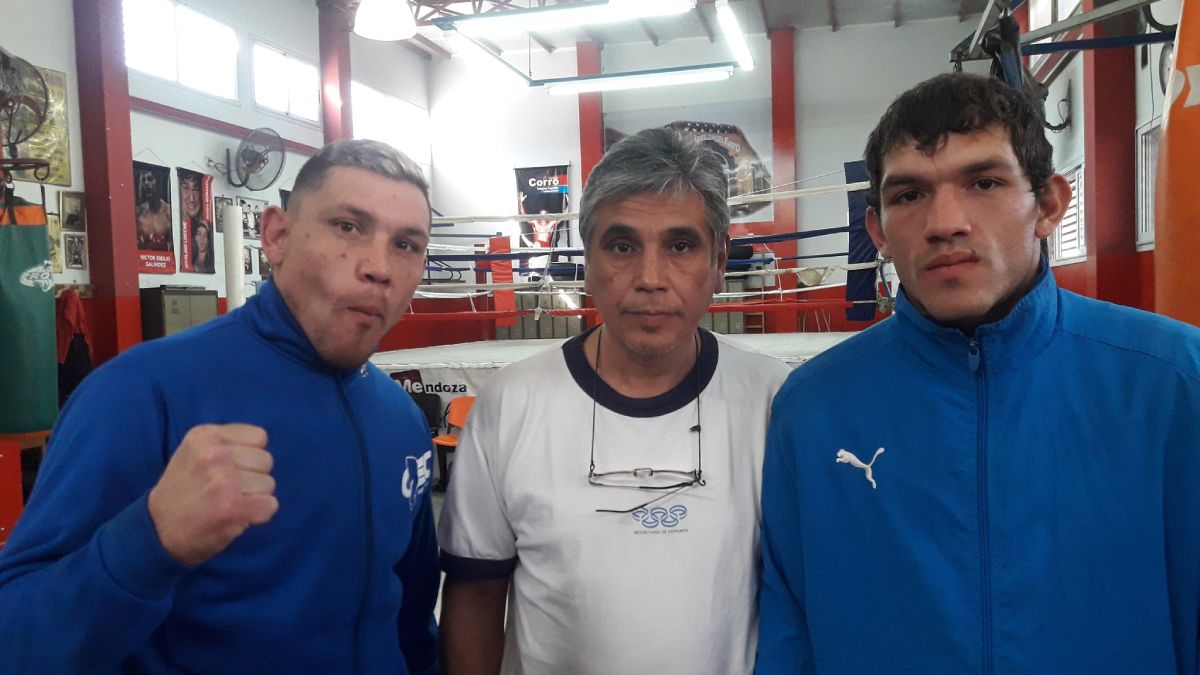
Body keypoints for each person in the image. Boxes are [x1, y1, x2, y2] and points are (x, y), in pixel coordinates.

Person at [756, 72, 1200, 674]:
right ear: (878, 230)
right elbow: (790, 632)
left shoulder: (1171, 380)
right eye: (909, 195)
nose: (945, 222)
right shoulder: (813, 408)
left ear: (1047, 205)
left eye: (984, 182)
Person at [0, 139, 440, 673]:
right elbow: (15, 641)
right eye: (348, 227)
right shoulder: (141, 394)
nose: (379, 267)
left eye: (407, 244)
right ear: (276, 236)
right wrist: (148, 541)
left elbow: (412, 621)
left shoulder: (402, 421)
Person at [438, 127, 792, 675]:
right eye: (623, 246)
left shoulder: (774, 402)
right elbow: (476, 596)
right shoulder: (512, 405)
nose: (650, 279)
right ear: (589, 260)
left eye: (680, 246)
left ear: (719, 262)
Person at [135, 169, 172, 251]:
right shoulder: (137, 213)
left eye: (150, 179)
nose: (146, 183)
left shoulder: (169, 213)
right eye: (143, 180)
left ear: (158, 183)